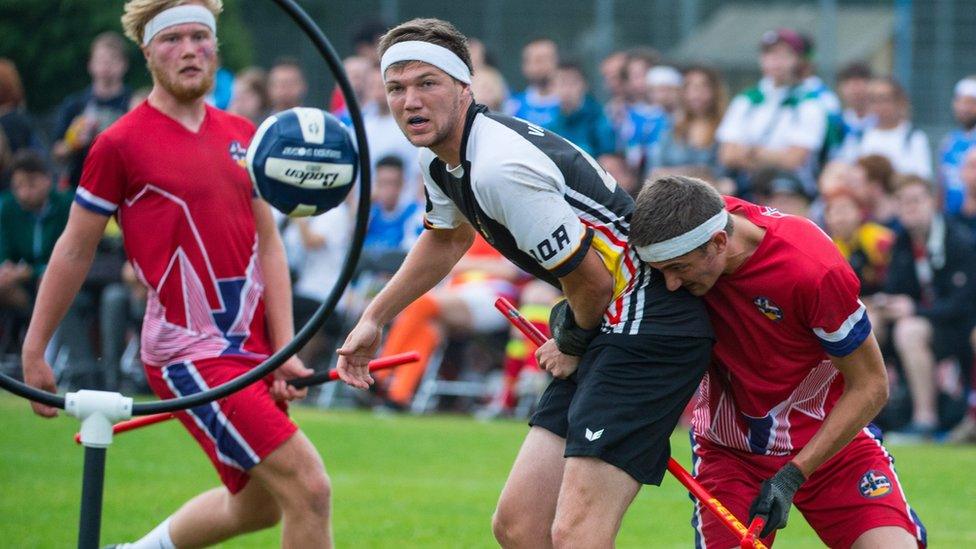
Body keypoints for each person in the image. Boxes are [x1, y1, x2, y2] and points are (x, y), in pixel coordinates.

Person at [335, 18, 713, 547]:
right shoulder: (440, 159)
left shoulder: (499, 167)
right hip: (601, 319)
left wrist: (571, 342)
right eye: (396, 87)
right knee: (519, 527)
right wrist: (375, 316)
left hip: (647, 324)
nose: (409, 101)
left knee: (575, 534)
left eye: (427, 83)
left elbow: (593, 280)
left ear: (465, 89)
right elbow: (445, 239)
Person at [21, 2, 333, 547]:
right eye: (172, 40)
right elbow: (73, 251)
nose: (189, 49)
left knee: (259, 505)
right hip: (189, 352)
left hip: (252, 346)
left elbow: (270, 247)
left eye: (199, 37)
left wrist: (284, 348)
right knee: (310, 488)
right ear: (146, 53)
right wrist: (34, 349)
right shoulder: (119, 143)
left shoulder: (245, 135)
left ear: (215, 48)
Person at [629, 175, 926, 548]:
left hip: (832, 446)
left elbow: (871, 385)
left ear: (719, 242)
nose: (669, 284)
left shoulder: (813, 269)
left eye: (680, 268)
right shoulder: (683, 221)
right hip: (729, 452)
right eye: (662, 271)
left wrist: (793, 475)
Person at [874, 175, 976, 440]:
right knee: (868, 321)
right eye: (903, 201)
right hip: (926, 321)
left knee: (910, 330)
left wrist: (915, 310)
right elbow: (895, 288)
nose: (909, 207)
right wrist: (885, 304)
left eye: (916, 200)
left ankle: (924, 418)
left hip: (959, 328)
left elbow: (962, 304)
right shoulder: (902, 241)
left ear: (933, 202)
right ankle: (868, 416)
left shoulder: (959, 240)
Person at [717, 28, 827, 197]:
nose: (776, 61)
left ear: (797, 60)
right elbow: (727, 154)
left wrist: (751, 152)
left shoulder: (809, 102)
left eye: (784, 55)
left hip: (792, 188)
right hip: (747, 185)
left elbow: (794, 160)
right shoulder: (747, 99)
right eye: (770, 54)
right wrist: (771, 156)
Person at [52, 31, 131, 189]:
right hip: (81, 187)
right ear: (90, 64)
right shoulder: (75, 105)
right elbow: (56, 153)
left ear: (124, 64)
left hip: (124, 187)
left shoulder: (134, 104)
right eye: (101, 59)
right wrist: (72, 142)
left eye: (112, 60)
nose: (106, 65)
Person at [0, 151, 71, 315]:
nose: (24, 193)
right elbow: (4, 253)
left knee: (48, 283)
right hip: (20, 284)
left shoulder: (66, 204)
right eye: (18, 186)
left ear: (47, 180)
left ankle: (46, 335)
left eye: (31, 185)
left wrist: (33, 271)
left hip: (58, 279)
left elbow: (71, 256)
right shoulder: (7, 206)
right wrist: (6, 269)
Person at [649, 65, 728, 185]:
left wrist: (672, 174)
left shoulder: (726, 127)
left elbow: (724, 175)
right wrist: (699, 172)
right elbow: (654, 171)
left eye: (703, 86)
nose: (696, 93)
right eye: (690, 87)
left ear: (714, 90)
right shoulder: (671, 127)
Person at [842, 77, 932, 179]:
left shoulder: (913, 137)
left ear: (900, 102)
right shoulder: (859, 135)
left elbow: (922, 177)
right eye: (873, 100)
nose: (879, 106)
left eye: (884, 99)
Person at [545, 61, 616, 159]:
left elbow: (609, 159)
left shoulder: (599, 120)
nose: (567, 89)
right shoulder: (550, 126)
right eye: (562, 83)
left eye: (572, 83)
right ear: (551, 87)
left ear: (584, 85)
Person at [938, 76, 976, 215]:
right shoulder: (950, 141)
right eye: (960, 101)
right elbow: (942, 182)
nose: (965, 108)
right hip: (951, 219)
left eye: (971, 102)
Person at [506, 38, 560, 127]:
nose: (540, 66)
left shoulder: (572, 106)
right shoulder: (514, 107)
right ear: (525, 67)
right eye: (535, 61)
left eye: (545, 59)